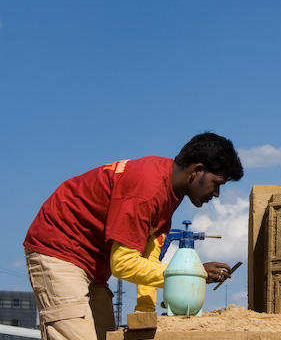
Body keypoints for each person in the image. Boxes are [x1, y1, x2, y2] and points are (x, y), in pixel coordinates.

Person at [23, 133, 244, 340]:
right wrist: (192, 274)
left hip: (93, 264)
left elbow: (147, 259)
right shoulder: (147, 189)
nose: (216, 194)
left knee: (106, 334)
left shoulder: (168, 196)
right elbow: (123, 264)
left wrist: (145, 311)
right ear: (197, 170)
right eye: (217, 184)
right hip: (59, 249)